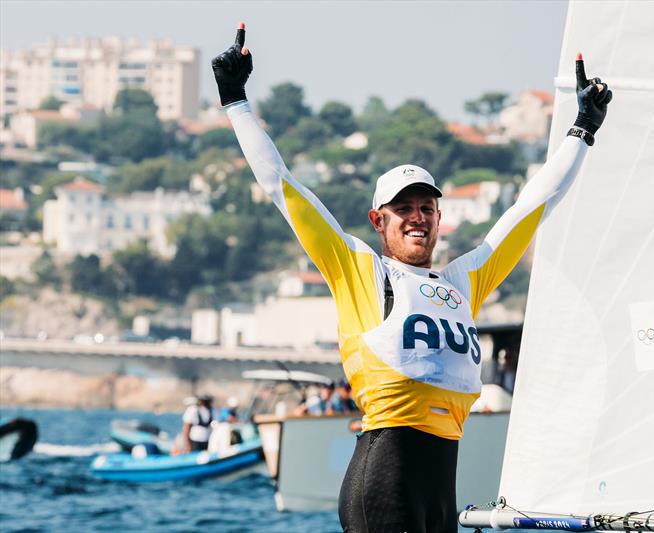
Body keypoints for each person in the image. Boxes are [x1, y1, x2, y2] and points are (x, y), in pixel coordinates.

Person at [213, 23, 611, 533]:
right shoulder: (359, 268)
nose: (418, 217)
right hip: (384, 482)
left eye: (427, 207)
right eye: (404, 209)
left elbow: (534, 206)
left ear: (440, 219)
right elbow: (281, 187)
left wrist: (584, 128)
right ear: (379, 219)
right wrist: (235, 100)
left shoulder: (463, 283)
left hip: (441, 491)